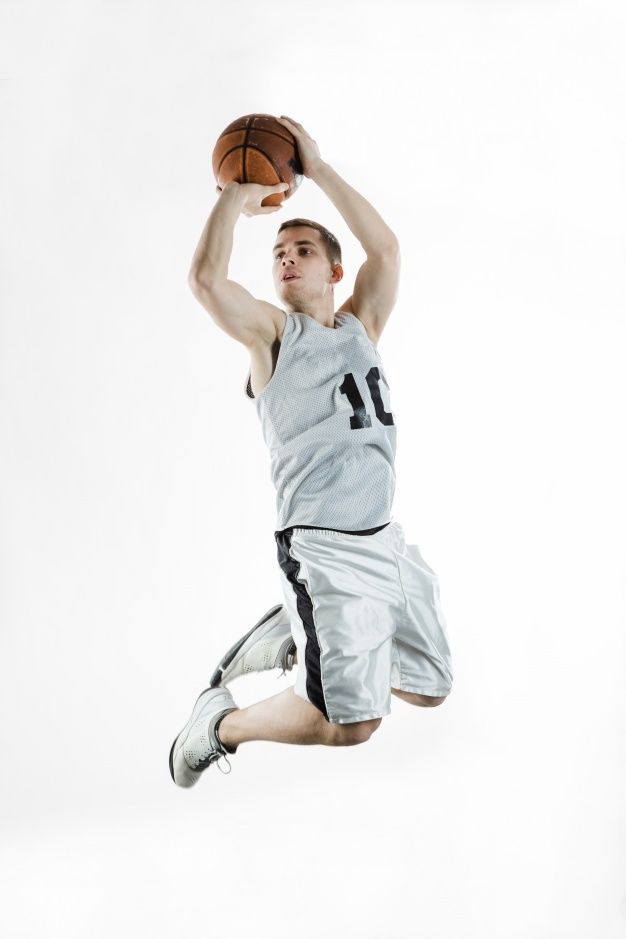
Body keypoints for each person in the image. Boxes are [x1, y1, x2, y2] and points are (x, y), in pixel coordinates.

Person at [169, 115, 453, 788]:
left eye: (301, 248)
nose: (286, 258)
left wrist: (317, 168)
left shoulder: (362, 325)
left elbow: (385, 247)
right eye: (278, 253)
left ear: (334, 269)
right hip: (322, 546)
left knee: (431, 683)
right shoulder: (272, 335)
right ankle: (215, 723)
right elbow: (206, 282)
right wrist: (234, 197)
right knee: (350, 724)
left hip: (383, 541)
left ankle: (301, 633)